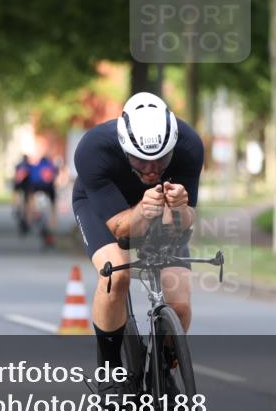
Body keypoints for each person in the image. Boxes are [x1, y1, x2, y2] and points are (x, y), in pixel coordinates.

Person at [72, 92, 204, 391]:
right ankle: (110, 370)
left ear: (173, 146)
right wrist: (143, 210)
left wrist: (182, 207)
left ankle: (165, 370)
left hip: (160, 210)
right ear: (123, 148)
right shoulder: (93, 149)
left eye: (161, 160)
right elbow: (121, 230)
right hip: (103, 209)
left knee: (180, 301)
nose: (152, 170)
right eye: (140, 160)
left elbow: (184, 221)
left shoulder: (189, 145)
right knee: (116, 274)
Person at [25, 153, 59, 242]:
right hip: (48, 187)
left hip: (35, 186)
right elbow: (55, 175)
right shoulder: (51, 166)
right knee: (54, 204)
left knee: (30, 198)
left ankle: (30, 216)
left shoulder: (36, 166)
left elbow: (29, 174)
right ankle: (53, 224)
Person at [12, 155, 32, 233]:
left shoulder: (18, 165)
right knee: (28, 201)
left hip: (18, 185)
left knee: (16, 194)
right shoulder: (29, 166)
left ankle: (16, 206)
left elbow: (16, 177)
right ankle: (27, 216)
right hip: (27, 185)